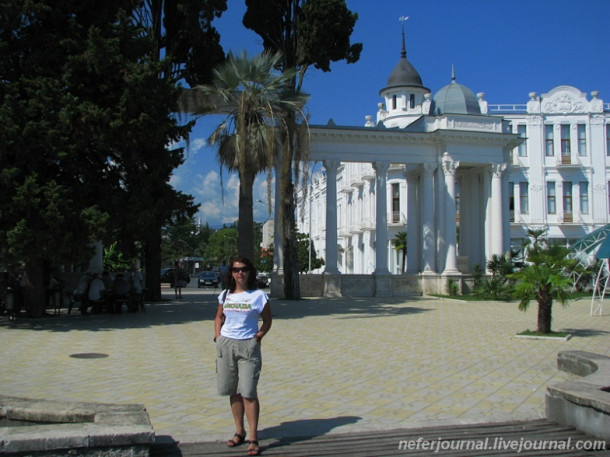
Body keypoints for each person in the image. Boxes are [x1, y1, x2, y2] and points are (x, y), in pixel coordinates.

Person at [214, 256, 272, 457]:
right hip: (227, 344)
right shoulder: (225, 295)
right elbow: (219, 316)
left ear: (250, 272)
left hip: (248, 346)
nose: (240, 273)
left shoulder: (258, 295)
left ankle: (253, 438)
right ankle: (239, 431)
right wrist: (218, 336)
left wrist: (257, 337)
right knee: (233, 391)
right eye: (236, 269)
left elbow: (267, 320)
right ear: (231, 272)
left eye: (244, 269)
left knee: (248, 391)